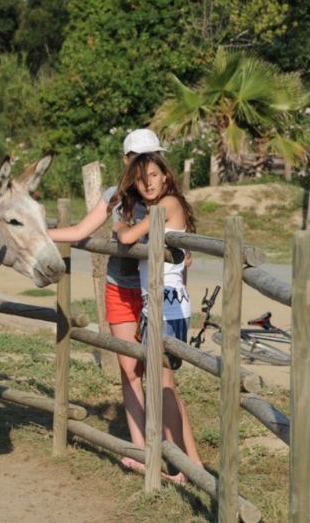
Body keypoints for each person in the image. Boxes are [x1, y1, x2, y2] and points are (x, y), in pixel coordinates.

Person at [47, 129, 163, 474]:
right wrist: (38, 235)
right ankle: (141, 449)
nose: (148, 166)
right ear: (127, 161)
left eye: (153, 157)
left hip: (153, 293)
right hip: (120, 288)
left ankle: (163, 444)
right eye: (140, 159)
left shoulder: (164, 195)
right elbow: (81, 231)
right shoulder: (114, 196)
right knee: (129, 368)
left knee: (158, 369)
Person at [111, 150, 203, 484]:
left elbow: (127, 237)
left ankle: (180, 467)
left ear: (165, 175)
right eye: (140, 178)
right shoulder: (159, 207)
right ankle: (181, 462)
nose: (148, 182)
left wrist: (121, 224)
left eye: (153, 175)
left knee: (162, 386)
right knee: (161, 385)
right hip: (160, 305)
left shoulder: (168, 205)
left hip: (167, 307)